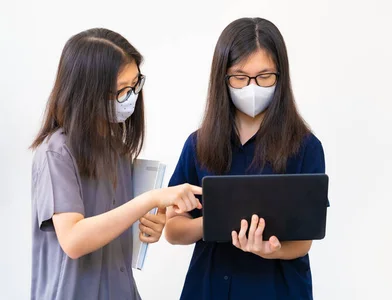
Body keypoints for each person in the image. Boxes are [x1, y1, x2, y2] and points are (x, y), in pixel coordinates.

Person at [30, 28, 202, 300]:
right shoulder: (57, 152)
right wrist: (149, 199)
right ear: (87, 93)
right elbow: (74, 240)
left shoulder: (117, 150)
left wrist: (149, 225)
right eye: (122, 91)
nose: (132, 97)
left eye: (136, 85)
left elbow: (117, 227)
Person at [164, 18, 326, 299]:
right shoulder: (198, 144)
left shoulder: (306, 147)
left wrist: (269, 250)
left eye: (264, 76)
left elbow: (304, 241)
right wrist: (217, 221)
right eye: (239, 77)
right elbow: (173, 230)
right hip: (208, 287)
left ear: (280, 76)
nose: (252, 87)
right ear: (222, 78)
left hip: (276, 289)